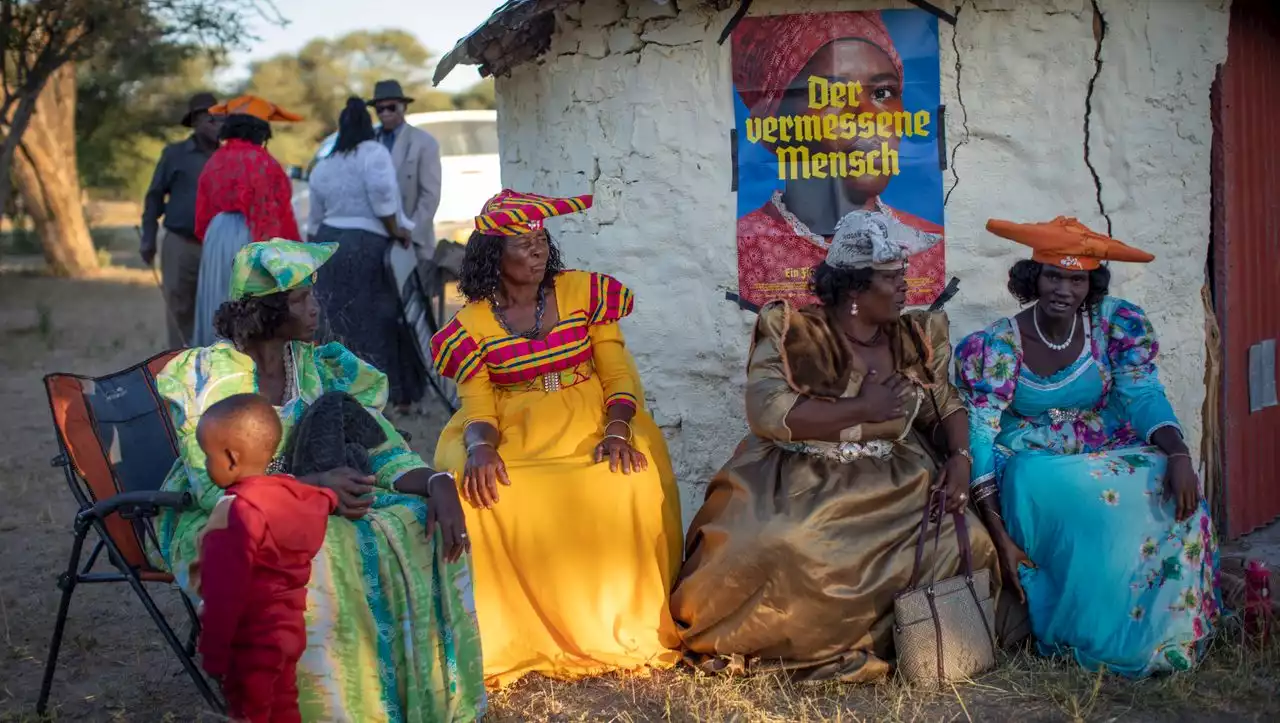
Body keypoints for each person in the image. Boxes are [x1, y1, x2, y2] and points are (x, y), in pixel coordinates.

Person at [670, 210, 1010, 682]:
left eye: (903, 276)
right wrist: (861, 409)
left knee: (963, 539)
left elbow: (944, 404)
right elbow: (767, 412)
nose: (905, 288)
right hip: (800, 476)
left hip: (897, 478)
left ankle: (923, 640)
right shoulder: (794, 333)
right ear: (854, 288)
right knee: (780, 543)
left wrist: (959, 459)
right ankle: (782, 644)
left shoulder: (914, 335)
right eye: (892, 279)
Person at [154, 240, 486, 721]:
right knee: (329, 547)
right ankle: (343, 706)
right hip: (228, 519)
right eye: (301, 298)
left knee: (418, 522)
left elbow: (381, 446)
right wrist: (315, 488)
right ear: (267, 310)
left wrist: (435, 481)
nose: (316, 307)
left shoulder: (315, 366)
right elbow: (215, 485)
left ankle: (421, 697)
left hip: (316, 500)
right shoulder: (213, 375)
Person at [430, 190, 683, 688]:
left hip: (593, 417)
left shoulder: (585, 292)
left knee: (623, 481)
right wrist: (481, 447)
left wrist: (617, 430)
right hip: (513, 426)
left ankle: (618, 629)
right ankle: (515, 638)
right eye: (522, 243)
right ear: (493, 256)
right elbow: (478, 406)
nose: (538, 250)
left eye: (541, 239)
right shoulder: (473, 325)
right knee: (487, 494)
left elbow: (618, 375)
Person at [954, 216, 1221, 677]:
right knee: (1087, 500)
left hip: (1104, 446)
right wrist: (999, 537)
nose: (1063, 288)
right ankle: (1092, 636)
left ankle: (1165, 635)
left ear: (1090, 283)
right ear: (1032, 277)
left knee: (1175, 492)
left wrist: (1179, 454)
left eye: (1076, 279)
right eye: (1053, 275)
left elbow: (1142, 395)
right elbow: (980, 433)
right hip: (1033, 461)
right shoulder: (997, 344)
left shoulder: (1115, 323)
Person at [732, 11, 945, 308]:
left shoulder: (927, 246)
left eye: (883, 92)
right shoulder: (750, 245)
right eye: (830, 94)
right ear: (774, 122)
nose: (868, 119)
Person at [194, 393, 337, 723]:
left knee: (250, 711)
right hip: (288, 630)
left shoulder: (236, 514)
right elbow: (322, 499)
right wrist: (329, 494)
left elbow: (224, 594)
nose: (204, 464)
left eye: (207, 457)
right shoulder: (293, 495)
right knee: (284, 705)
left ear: (231, 459)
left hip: (249, 640)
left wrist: (214, 654)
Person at [308, 97, 425, 415]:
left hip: (328, 243)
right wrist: (397, 231)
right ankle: (378, 395)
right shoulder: (374, 153)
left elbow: (314, 219)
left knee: (336, 320)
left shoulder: (324, 164)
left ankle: (336, 393)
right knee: (376, 321)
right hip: (366, 245)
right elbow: (383, 200)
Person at [190, 95, 304, 348]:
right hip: (249, 237)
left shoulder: (215, 161)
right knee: (251, 306)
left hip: (217, 236)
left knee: (219, 299)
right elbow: (273, 216)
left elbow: (201, 219)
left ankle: (218, 356)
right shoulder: (264, 162)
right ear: (261, 131)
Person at [141, 92, 221, 348]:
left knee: (218, 309)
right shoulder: (175, 154)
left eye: (219, 118)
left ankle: (213, 372)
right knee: (179, 309)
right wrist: (148, 238)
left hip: (217, 245)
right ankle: (179, 370)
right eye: (208, 118)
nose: (215, 123)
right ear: (194, 122)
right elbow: (154, 197)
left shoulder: (228, 157)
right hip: (180, 242)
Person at [368, 79, 442, 261]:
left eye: (391, 107)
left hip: (413, 240)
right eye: (380, 109)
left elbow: (430, 195)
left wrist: (411, 231)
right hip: (376, 238)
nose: (385, 113)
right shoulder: (368, 142)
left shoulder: (424, 142)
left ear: (403, 107)